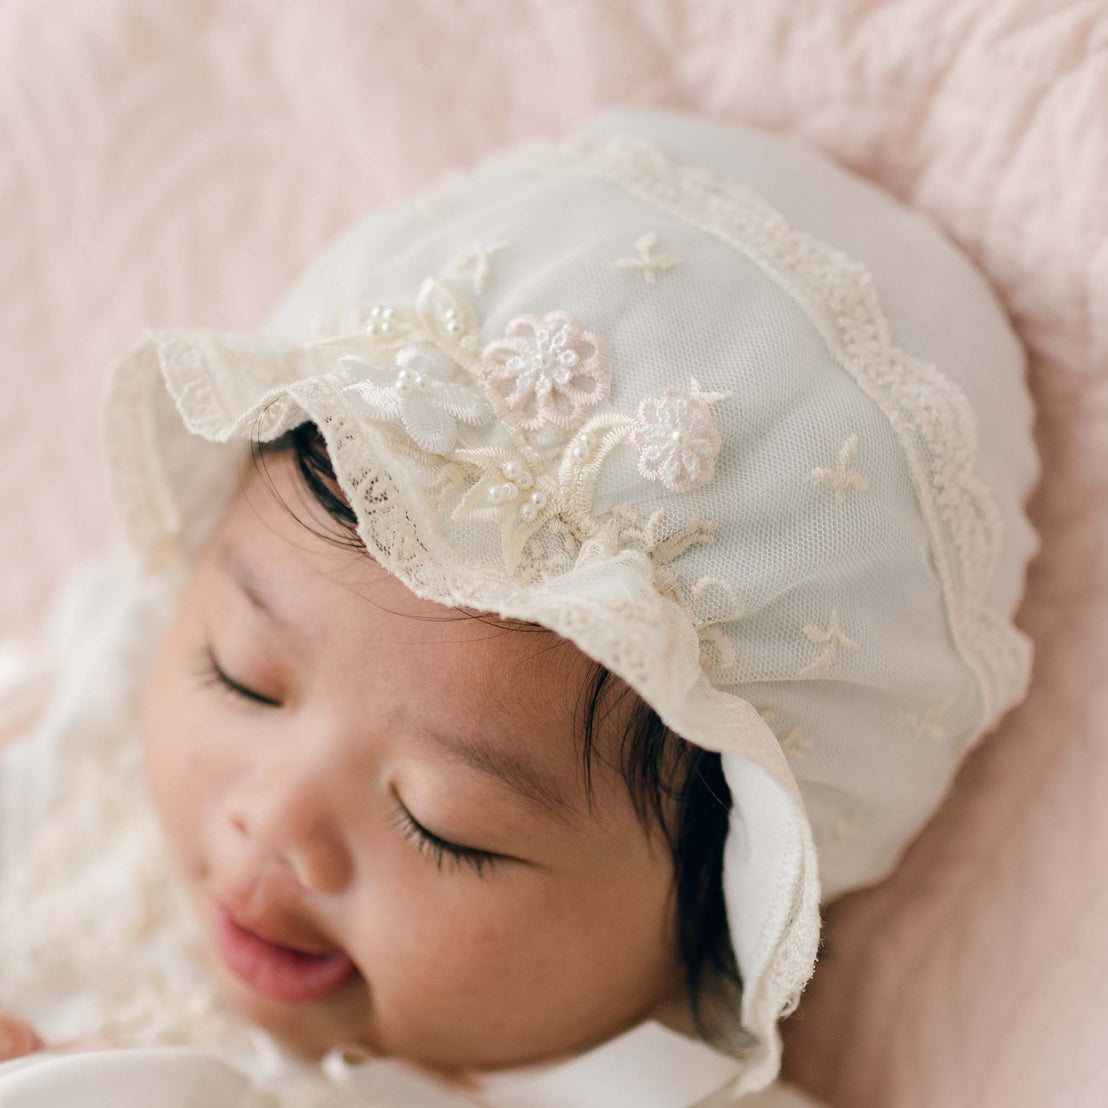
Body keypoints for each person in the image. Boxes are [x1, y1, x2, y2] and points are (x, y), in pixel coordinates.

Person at [0, 106, 1039, 1106]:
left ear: (728, 907)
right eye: (241, 676)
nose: (271, 819)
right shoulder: (70, 741)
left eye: (444, 825)